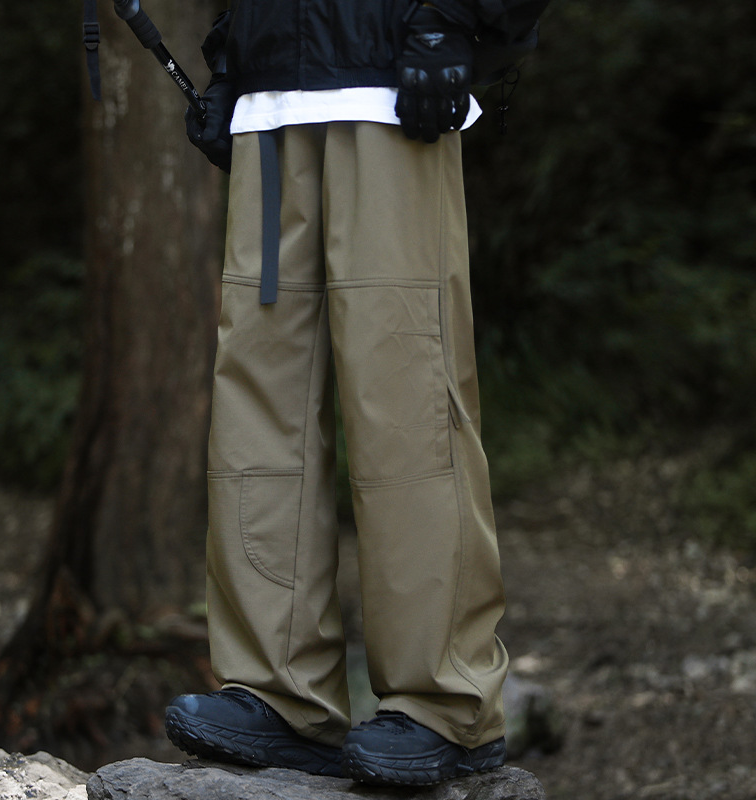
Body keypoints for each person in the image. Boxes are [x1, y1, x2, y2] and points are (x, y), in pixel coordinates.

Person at [165, 0, 548, 787]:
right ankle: (279, 693)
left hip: (391, 89)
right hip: (270, 103)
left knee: (406, 401)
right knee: (259, 409)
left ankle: (445, 700)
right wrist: (230, 57)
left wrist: (455, 18)